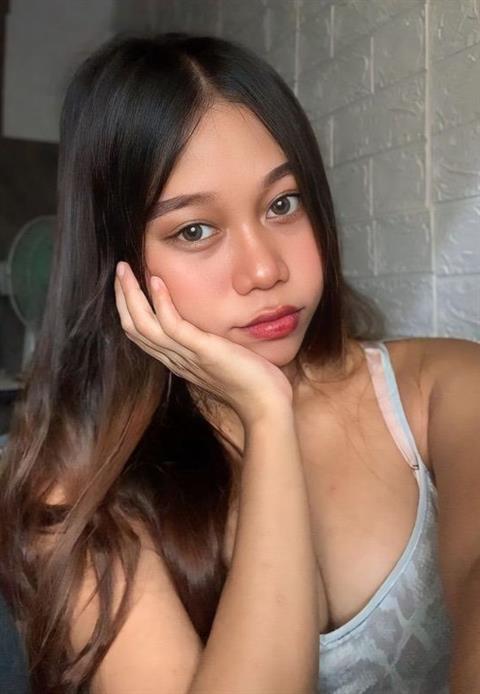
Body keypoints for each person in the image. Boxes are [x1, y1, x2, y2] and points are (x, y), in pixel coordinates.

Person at [0, 31, 478, 694]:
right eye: (195, 230)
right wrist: (267, 417)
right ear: (116, 264)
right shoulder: (80, 497)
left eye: (282, 204)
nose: (264, 269)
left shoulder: (442, 389)